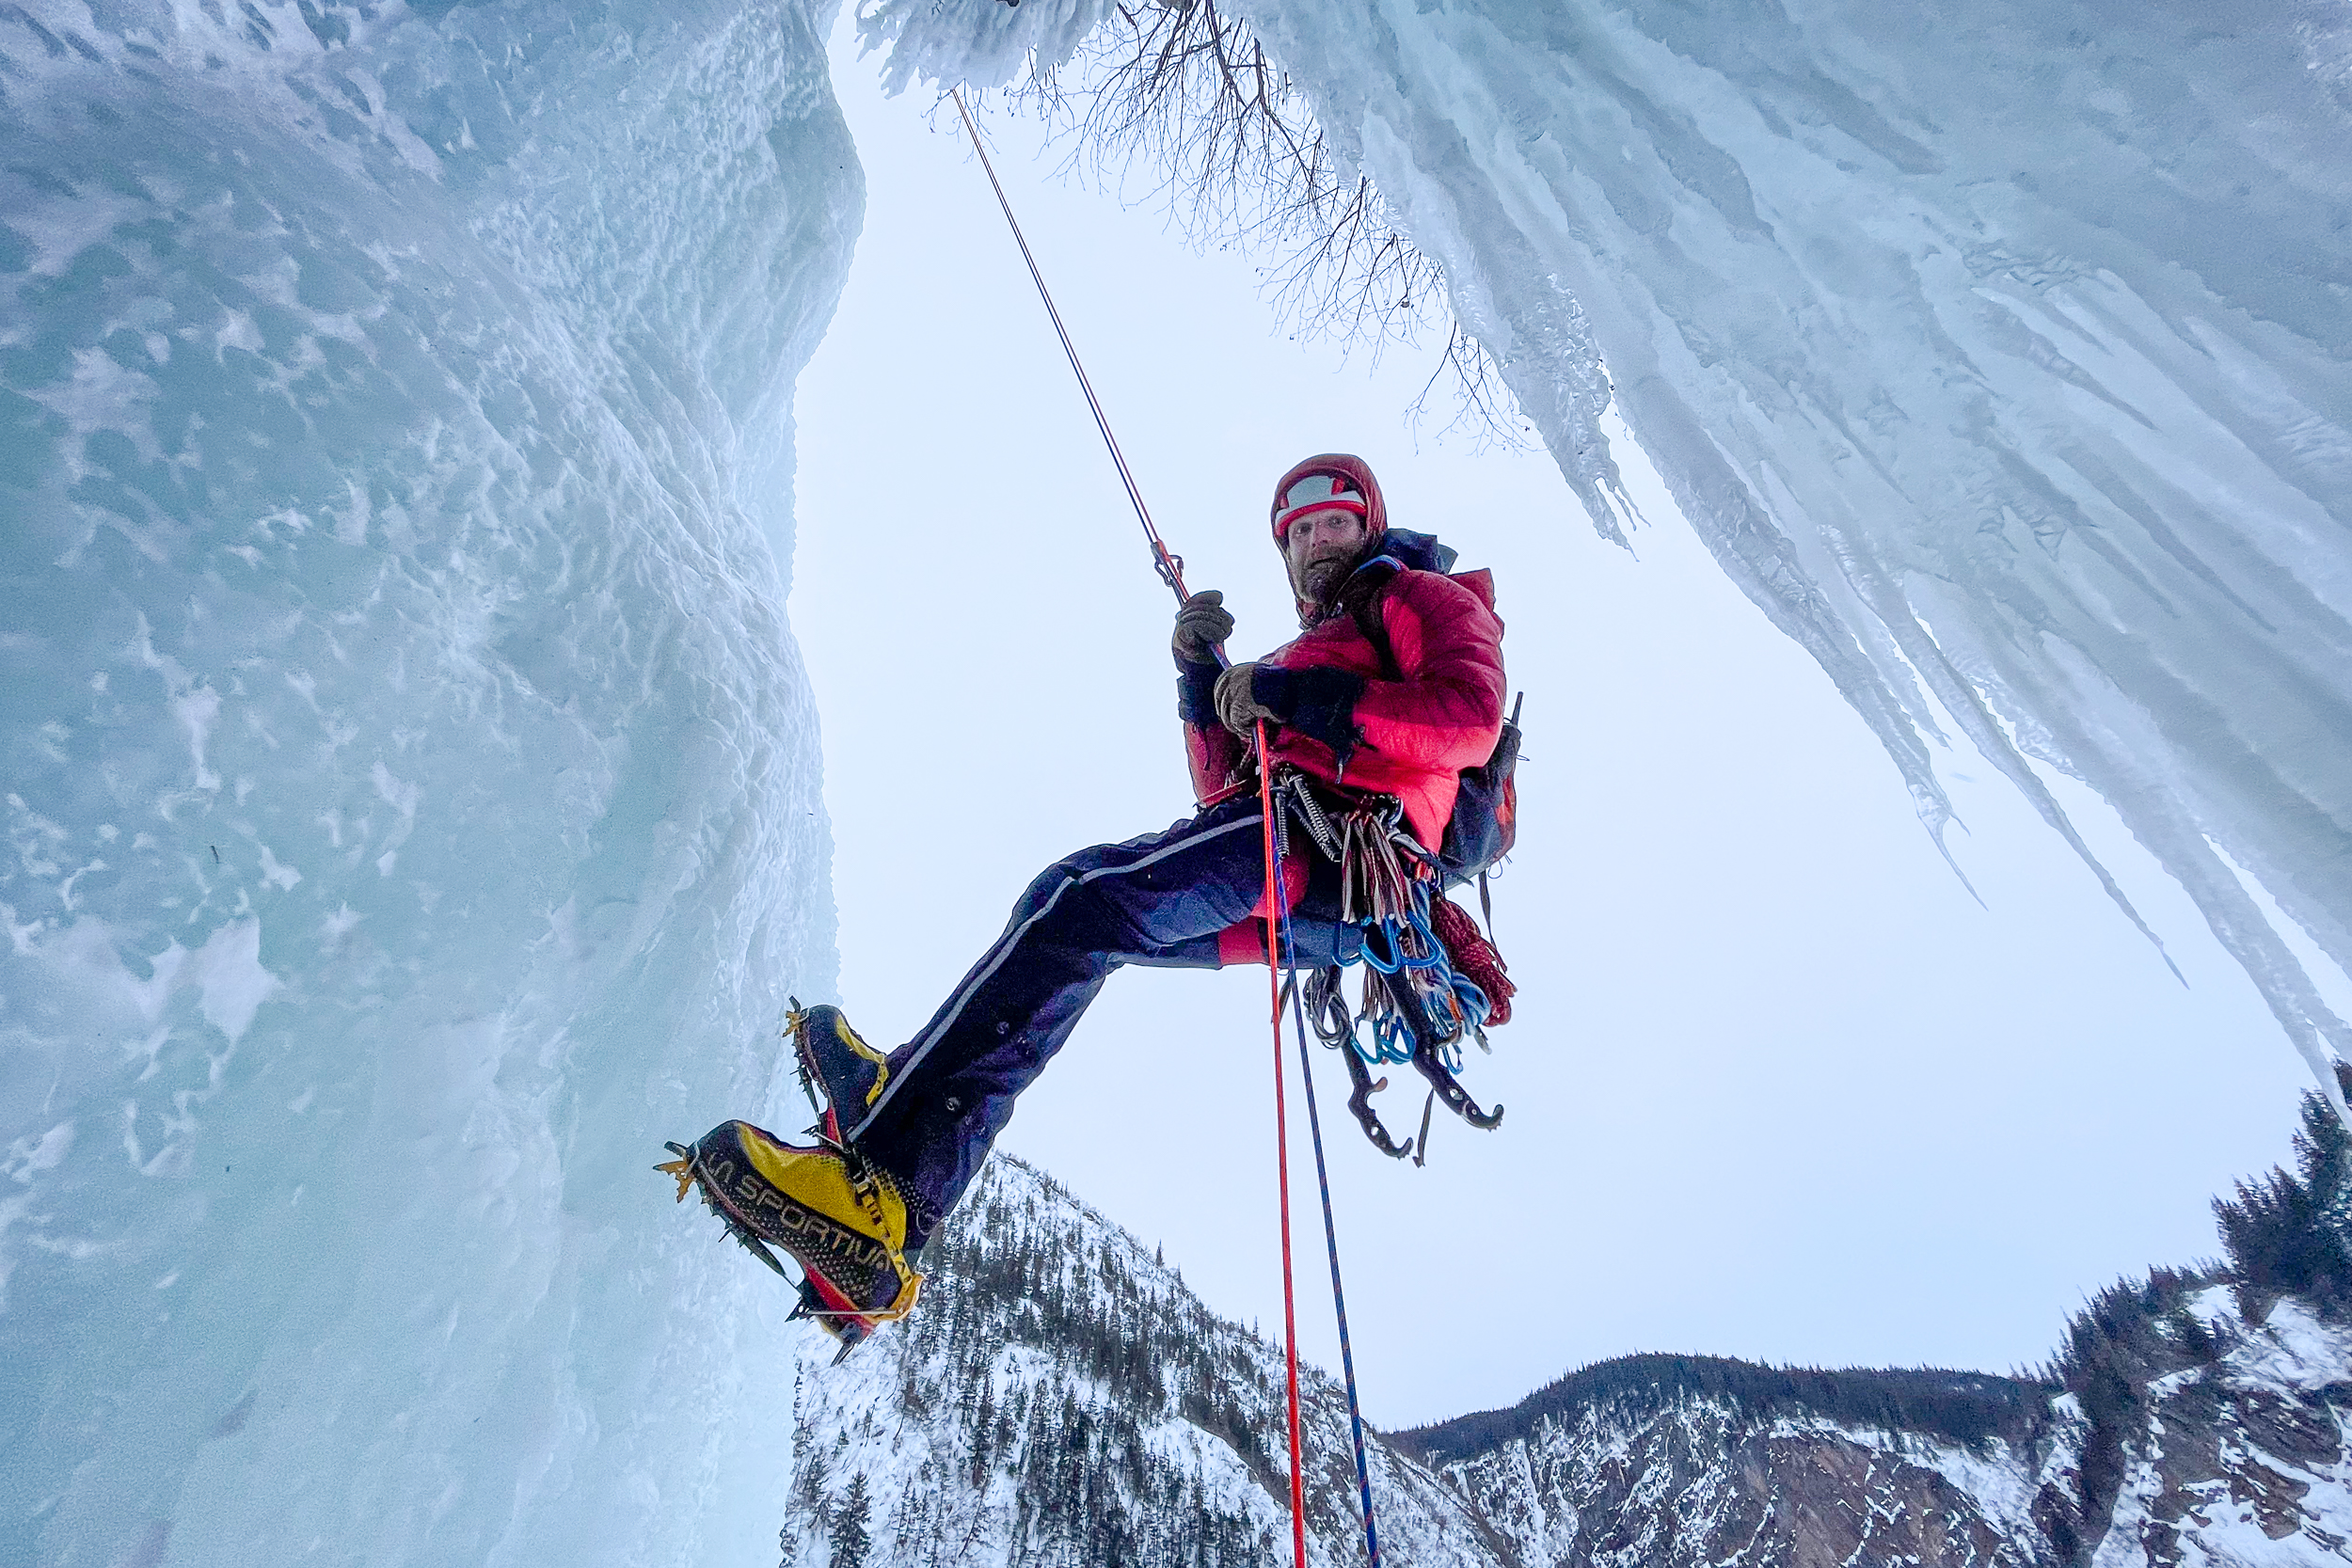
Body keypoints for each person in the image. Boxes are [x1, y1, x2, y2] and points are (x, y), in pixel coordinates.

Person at [660, 453, 1507, 1350]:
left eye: (1331, 522)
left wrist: (1287, 691)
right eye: (1295, 534)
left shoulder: (1412, 595)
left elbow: (1467, 714)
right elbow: (1220, 790)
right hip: (1305, 872)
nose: (1312, 542)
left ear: (1369, 524)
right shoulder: (1310, 651)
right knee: (1069, 916)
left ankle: (889, 1197)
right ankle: (895, 1113)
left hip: (1331, 845)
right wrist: (1200, 673)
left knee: (1076, 902)